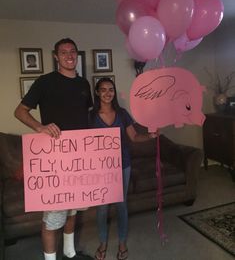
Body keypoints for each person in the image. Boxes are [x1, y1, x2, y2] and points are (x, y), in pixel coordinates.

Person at [14, 38, 94, 260]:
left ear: (77, 55)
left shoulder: (83, 84)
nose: (69, 55)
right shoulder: (45, 82)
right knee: (52, 216)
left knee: (73, 209)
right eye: (64, 52)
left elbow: (85, 117)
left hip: (79, 157)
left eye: (72, 51)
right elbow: (20, 111)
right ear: (56, 56)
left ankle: (69, 252)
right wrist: (40, 127)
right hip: (54, 158)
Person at [89, 77, 158, 260]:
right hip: (100, 169)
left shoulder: (123, 113)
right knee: (102, 208)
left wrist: (150, 137)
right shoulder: (90, 116)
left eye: (110, 89)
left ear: (114, 92)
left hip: (123, 165)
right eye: (103, 89)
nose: (107, 93)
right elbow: (84, 144)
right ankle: (103, 243)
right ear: (97, 92)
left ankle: (121, 242)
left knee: (121, 205)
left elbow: (134, 137)